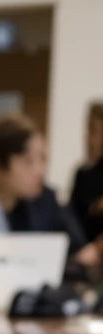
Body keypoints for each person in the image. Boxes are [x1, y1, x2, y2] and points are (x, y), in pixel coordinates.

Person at [0, 113, 98, 266]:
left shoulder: (43, 199)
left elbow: (80, 249)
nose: (40, 170)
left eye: (43, 159)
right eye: (28, 162)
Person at [68, 102, 103, 243]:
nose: (88, 138)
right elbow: (72, 217)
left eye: (93, 131)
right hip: (85, 251)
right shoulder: (82, 174)